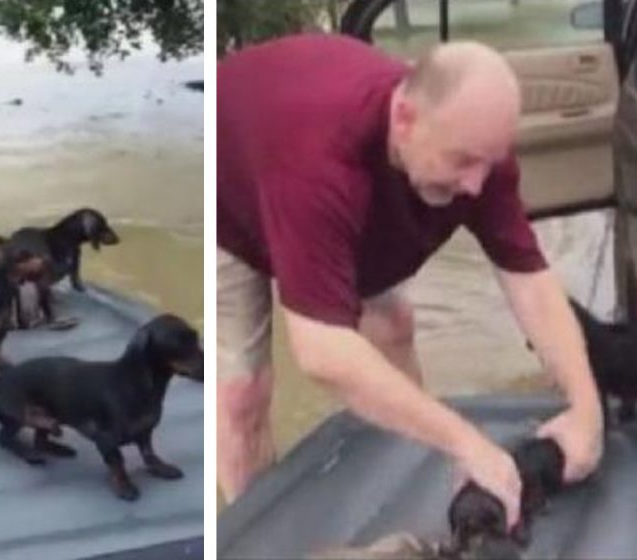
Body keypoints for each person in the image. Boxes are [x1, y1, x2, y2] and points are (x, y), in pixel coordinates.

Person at [217, 35, 603, 529]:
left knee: (393, 324)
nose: (476, 186)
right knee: (241, 395)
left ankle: (415, 459)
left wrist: (586, 411)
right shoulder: (318, 163)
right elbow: (322, 353)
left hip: (339, 194)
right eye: (463, 161)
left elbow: (529, 279)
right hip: (237, 191)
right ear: (404, 120)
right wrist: (470, 443)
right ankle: (256, 531)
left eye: (489, 162)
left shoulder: (473, 150)